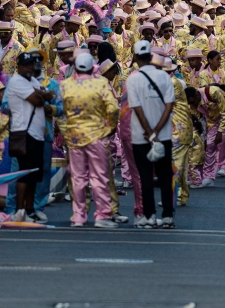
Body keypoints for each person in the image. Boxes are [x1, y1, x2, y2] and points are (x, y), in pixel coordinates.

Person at [59, 52, 119, 228]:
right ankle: (102, 216)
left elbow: (59, 113)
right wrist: (110, 127)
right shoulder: (100, 83)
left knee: (78, 178)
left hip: (74, 138)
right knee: (100, 177)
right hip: (97, 137)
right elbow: (113, 108)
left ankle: (79, 215)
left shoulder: (65, 86)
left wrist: (66, 133)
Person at [126, 40, 176, 229]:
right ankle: (168, 216)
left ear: (137, 57)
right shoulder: (164, 76)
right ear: (151, 56)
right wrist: (157, 131)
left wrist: (149, 133)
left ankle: (149, 216)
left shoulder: (133, 79)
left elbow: (137, 109)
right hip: (163, 136)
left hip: (141, 136)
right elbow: (170, 105)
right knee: (165, 176)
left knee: (145, 177)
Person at [6, 50, 54, 224]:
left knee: (34, 175)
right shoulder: (17, 81)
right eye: (25, 65)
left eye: (31, 65)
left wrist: (41, 94)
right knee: (24, 174)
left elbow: (50, 95)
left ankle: (30, 210)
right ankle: (19, 211)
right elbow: (39, 100)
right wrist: (41, 94)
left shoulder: (31, 80)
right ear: (18, 67)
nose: (29, 68)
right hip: (24, 133)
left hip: (37, 135)